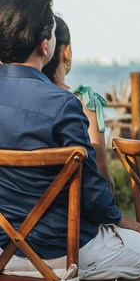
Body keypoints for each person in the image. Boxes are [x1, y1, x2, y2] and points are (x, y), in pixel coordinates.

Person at [0, 0, 140, 281]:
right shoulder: (62, 103)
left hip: (5, 251)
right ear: (45, 45)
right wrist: (122, 220)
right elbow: (92, 192)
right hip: (59, 252)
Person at [42, 14, 115, 194]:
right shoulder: (84, 100)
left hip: (19, 216)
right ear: (66, 52)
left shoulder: (23, 98)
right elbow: (102, 175)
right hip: (73, 216)